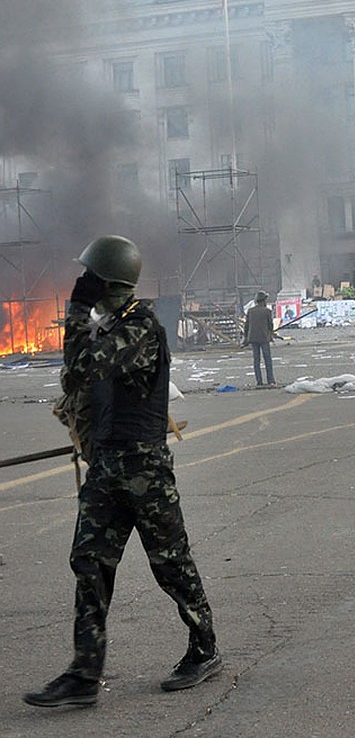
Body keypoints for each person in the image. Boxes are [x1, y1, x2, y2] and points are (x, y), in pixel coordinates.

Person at [24, 235, 222, 708]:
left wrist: (74, 316)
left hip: (144, 469)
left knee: (171, 565)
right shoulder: (111, 326)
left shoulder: (141, 327)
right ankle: (84, 674)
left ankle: (204, 648)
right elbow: (76, 378)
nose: (84, 286)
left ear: (108, 283)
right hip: (107, 467)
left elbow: (84, 365)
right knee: (90, 564)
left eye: (91, 279)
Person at [243, 291, 277, 386]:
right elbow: (270, 325)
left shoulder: (250, 311)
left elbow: (246, 326)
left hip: (253, 338)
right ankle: (271, 380)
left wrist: (246, 338)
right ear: (263, 301)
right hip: (264, 338)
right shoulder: (267, 311)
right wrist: (271, 333)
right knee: (267, 360)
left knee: (256, 360)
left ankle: (259, 381)